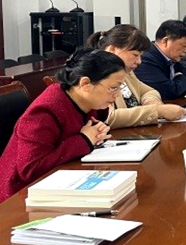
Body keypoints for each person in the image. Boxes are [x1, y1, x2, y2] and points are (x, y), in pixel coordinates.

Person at [0, 49, 124, 202]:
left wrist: (97, 134)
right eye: (113, 88)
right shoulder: (44, 112)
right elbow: (30, 170)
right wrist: (84, 140)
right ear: (85, 84)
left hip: (61, 181)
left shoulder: (85, 100)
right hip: (18, 197)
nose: (117, 94)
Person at [87, 24, 186, 127]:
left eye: (140, 56)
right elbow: (108, 116)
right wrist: (156, 111)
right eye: (135, 55)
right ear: (112, 49)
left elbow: (148, 91)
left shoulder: (126, 71)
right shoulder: (94, 73)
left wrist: (151, 101)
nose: (139, 61)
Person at [135, 20, 186, 100]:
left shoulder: (171, 57)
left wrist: (177, 80)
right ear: (165, 41)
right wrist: (180, 77)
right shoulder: (146, 59)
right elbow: (168, 91)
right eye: (184, 46)